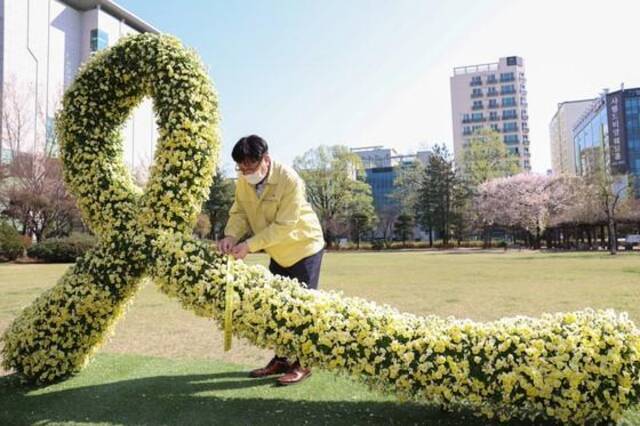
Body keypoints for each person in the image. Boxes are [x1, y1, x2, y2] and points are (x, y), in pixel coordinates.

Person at [218, 134, 325, 386]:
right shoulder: (244, 181)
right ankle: (282, 359)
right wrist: (231, 236)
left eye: (250, 166)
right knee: (277, 307)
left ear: (265, 159)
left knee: (302, 307)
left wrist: (249, 245)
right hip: (276, 250)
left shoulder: (289, 180)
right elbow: (240, 212)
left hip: (303, 247)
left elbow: (285, 226)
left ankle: (304, 363)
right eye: (240, 167)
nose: (245, 172)